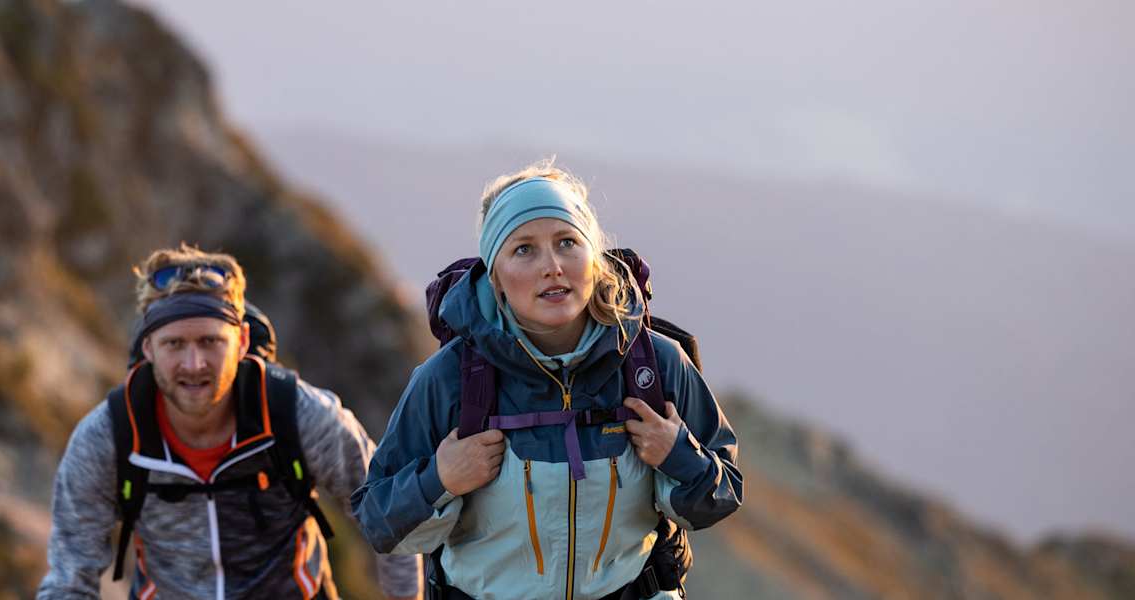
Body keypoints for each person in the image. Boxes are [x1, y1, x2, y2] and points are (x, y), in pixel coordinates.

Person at [351, 161, 743, 599]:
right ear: (495, 277)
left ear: (594, 259)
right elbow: (377, 520)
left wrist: (677, 454)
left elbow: (723, 494)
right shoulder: (450, 379)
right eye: (523, 249)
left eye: (567, 242)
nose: (552, 266)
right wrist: (440, 477)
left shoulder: (655, 364)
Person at [39, 245, 421, 599]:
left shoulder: (297, 414)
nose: (193, 364)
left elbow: (389, 516)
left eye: (210, 342)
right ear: (148, 348)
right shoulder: (111, 436)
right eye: (175, 344)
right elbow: (70, 577)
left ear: (240, 341)